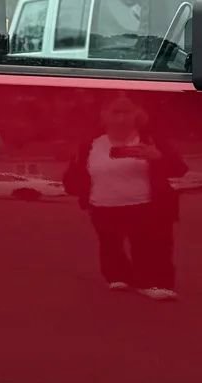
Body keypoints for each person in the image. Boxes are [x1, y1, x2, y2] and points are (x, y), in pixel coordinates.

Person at [63, 96, 185, 299]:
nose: (120, 118)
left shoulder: (152, 141)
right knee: (110, 244)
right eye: (115, 112)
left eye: (126, 112)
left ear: (137, 115)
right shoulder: (90, 145)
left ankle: (156, 284)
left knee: (150, 245)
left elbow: (179, 169)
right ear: (104, 116)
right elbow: (76, 174)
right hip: (103, 204)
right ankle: (118, 276)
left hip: (147, 204)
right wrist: (81, 191)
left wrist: (158, 157)